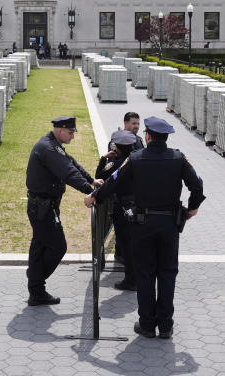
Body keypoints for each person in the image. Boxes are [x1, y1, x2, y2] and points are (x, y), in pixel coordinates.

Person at [85, 116, 205, 339]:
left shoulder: (136, 158)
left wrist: (95, 197)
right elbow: (197, 184)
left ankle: (147, 324)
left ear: (147, 136)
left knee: (145, 274)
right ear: (165, 137)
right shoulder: (179, 158)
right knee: (168, 273)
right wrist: (193, 208)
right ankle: (166, 326)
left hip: (143, 225)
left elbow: (114, 181)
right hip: (170, 225)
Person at [25, 116, 103, 306]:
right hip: (42, 207)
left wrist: (91, 180)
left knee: (40, 246)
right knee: (58, 247)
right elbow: (68, 172)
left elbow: (72, 162)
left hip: (44, 206)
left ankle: (36, 290)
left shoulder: (53, 145)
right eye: (70, 132)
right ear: (60, 130)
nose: (73, 137)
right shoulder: (49, 148)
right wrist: (90, 191)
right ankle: (35, 283)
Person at [95, 129, 140, 290]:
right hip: (139, 207)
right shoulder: (138, 160)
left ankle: (131, 280)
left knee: (126, 244)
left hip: (122, 208)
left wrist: (103, 159)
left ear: (117, 148)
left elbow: (100, 178)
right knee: (137, 243)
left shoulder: (116, 164)